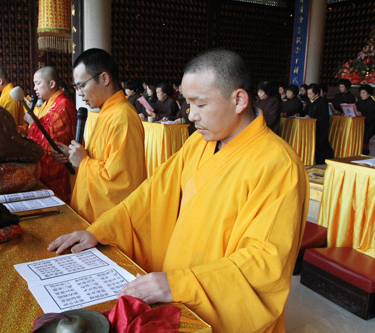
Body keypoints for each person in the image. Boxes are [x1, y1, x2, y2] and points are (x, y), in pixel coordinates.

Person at [48, 49, 309, 332]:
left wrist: (180, 284)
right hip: (173, 295)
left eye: (199, 104)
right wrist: (98, 232)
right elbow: (150, 196)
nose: (190, 114)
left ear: (239, 100)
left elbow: (263, 263)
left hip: (212, 302)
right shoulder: (200, 142)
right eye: (186, 102)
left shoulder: (279, 165)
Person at [53, 48, 147, 223]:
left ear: (104, 78)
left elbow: (121, 185)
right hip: (89, 217)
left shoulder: (122, 118)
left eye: (82, 85)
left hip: (107, 225)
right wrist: (73, 156)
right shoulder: (106, 113)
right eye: (77, 87)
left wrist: (84, 162)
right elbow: (99, 159)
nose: (79, 93)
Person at [28, 66, 77, 203]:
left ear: (51, 84)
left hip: (60, 166)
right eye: (34, 84)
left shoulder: (62, 105)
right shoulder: (48, 103)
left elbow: (51, 138)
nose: (35, 88)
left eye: (38, 83)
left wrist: (34, 124)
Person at [305, 83, 334, 164]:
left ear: (317, 93)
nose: (309, 95)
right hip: (311, 126)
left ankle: (323, 159)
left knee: (321, 143)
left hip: (320, 125)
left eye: (311, 93)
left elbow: (323, 116)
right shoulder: (309, 101)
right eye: (308, 93)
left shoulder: (322, 101)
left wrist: (313, 119)